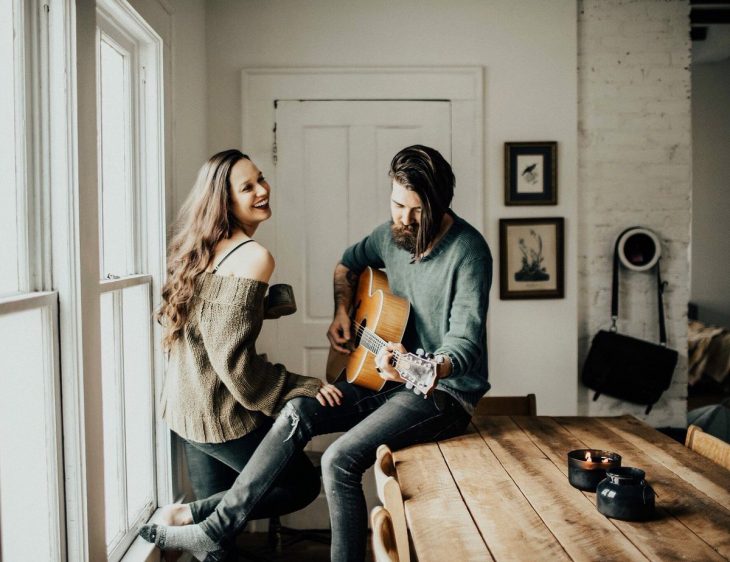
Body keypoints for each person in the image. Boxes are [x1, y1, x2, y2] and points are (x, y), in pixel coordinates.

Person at [140, 145, 493, 562]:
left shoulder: (469, 251)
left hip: (441, 392)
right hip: (381, 377)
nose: (405, 219)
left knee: (339, 461)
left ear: (440, 204)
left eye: (418, 212)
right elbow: (347, 265)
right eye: (398, 205)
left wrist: (428, 365)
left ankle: (210, 525)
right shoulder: (388, 236)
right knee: (298, 410)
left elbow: (465, 343)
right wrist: (344, 311)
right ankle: (213, 528)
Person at [146, 149, 344, 556]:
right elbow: (238, 371)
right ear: (225, 200)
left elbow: (208, 328)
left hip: (184, 407)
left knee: (217, 544)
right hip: (220, 415)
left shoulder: (199, 248)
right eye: (247, 186)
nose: (262, 190)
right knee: (299, 485)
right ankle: (183, 515)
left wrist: (263, 308)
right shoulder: (255, 257)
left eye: (261, 179)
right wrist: (303, 385)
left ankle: (194, 519)